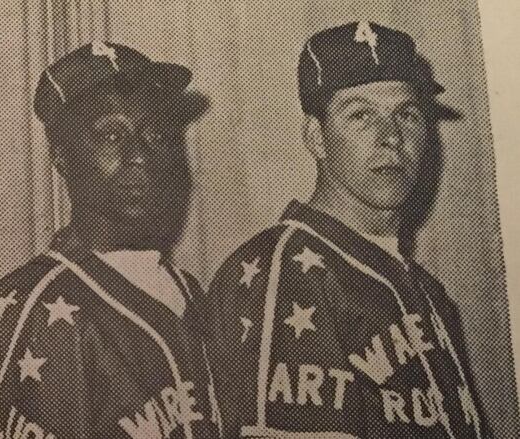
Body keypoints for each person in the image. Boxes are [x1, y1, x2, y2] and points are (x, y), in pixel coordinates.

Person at [206, 21, 491, 438]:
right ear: (317, 138)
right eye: (360, 115)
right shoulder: (283, 272)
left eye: (407, 114)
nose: (391, 137)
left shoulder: (429, 291)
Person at [0, 42, 221, 439]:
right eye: (112, 135)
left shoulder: (187, 290)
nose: (140, 155)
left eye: (155, 134)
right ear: (60, 157)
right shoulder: (30, 308)